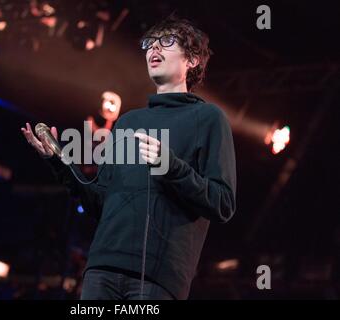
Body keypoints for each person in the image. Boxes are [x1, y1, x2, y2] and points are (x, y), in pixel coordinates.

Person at [21, 14, 236, 300]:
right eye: (150, 43)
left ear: (192, 60)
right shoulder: (128, 122)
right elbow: (100, 202)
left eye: (167, 41)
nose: (154, 49)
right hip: (101, 270)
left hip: (158, 280)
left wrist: (171, 167)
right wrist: (59, 162)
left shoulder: (208, 118)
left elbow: (222, 203)